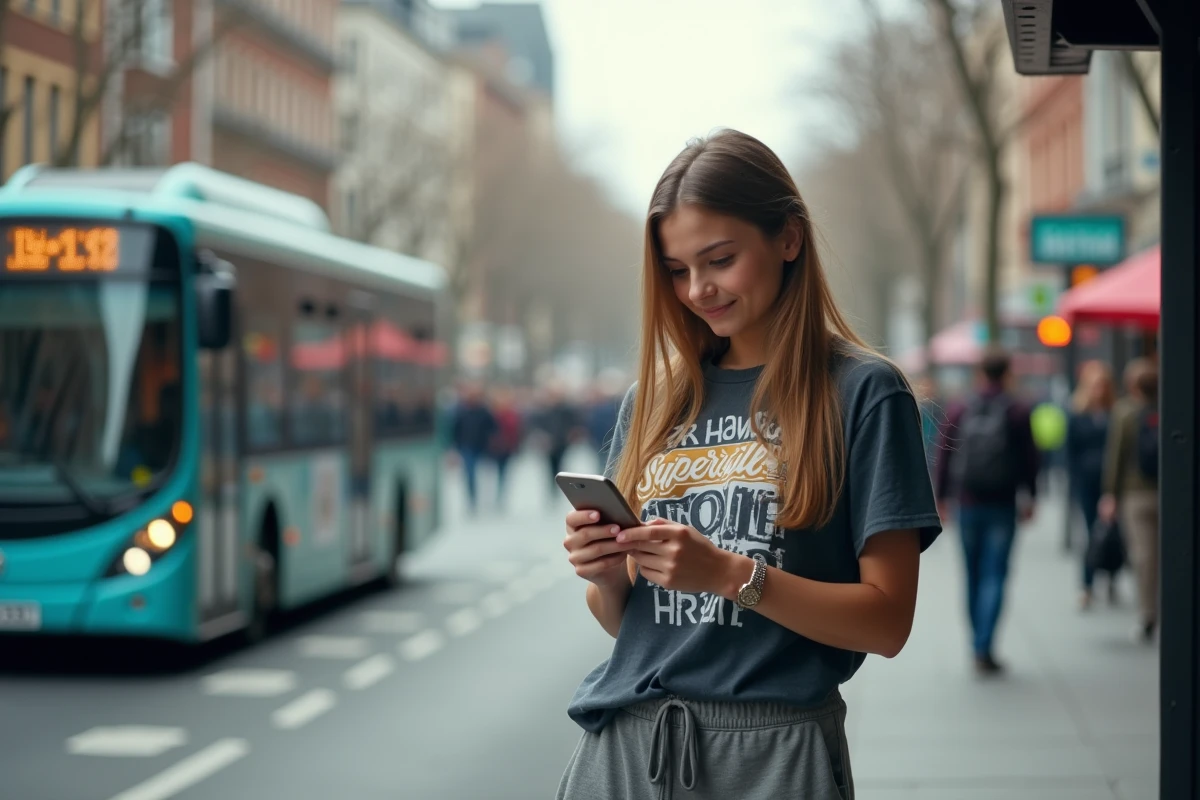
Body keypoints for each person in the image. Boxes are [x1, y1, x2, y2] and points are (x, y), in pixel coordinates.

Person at [557, 130, 942, 800]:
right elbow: (633, 623)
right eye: (677, 270)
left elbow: (887, 623)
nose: (698, 289)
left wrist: (730, 574)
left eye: (719, 259)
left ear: (788, 239)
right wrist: (608, 577)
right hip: (625, 750)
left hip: (775, 754)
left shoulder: (863, 392)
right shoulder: (651, 401)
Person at [934, 346, 1039, 676]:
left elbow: (944, 454)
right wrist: (1031, 496)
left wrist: (941, 498)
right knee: (996, 574)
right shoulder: (1018, 410)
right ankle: (984, 645)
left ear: (980, 373)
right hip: (1003, 503)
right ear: (1008, 373)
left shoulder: (961, 407)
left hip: (966, 502)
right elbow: (1030, 459)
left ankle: (975, 643)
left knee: (973, 574)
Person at [1099, 358, 1159, 643]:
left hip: (1135, 495)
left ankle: (1147, 613)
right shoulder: (1169, 407)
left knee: (1143, 556)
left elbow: (1116, 456)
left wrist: (1110, 493)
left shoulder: (1124, 412)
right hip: (1166, 493)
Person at [1066, 361, 1117, 609]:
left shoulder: (1114, 413)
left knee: (1113, 530)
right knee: (1090, 532)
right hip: (1087, 482)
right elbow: (1070, 451)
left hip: (1111, 482)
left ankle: (1112, 577)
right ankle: (1087, 584)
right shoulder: (1077, 414)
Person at [449, 383, 495, 515]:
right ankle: (472, 499)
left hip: (482, 447)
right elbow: (455, 429)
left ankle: (484, 499)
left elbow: (492, 428)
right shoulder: (461, 411)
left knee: (484, 474)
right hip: (466, 447)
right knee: (470, 473)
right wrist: (455, 447)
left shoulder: (484, 411)